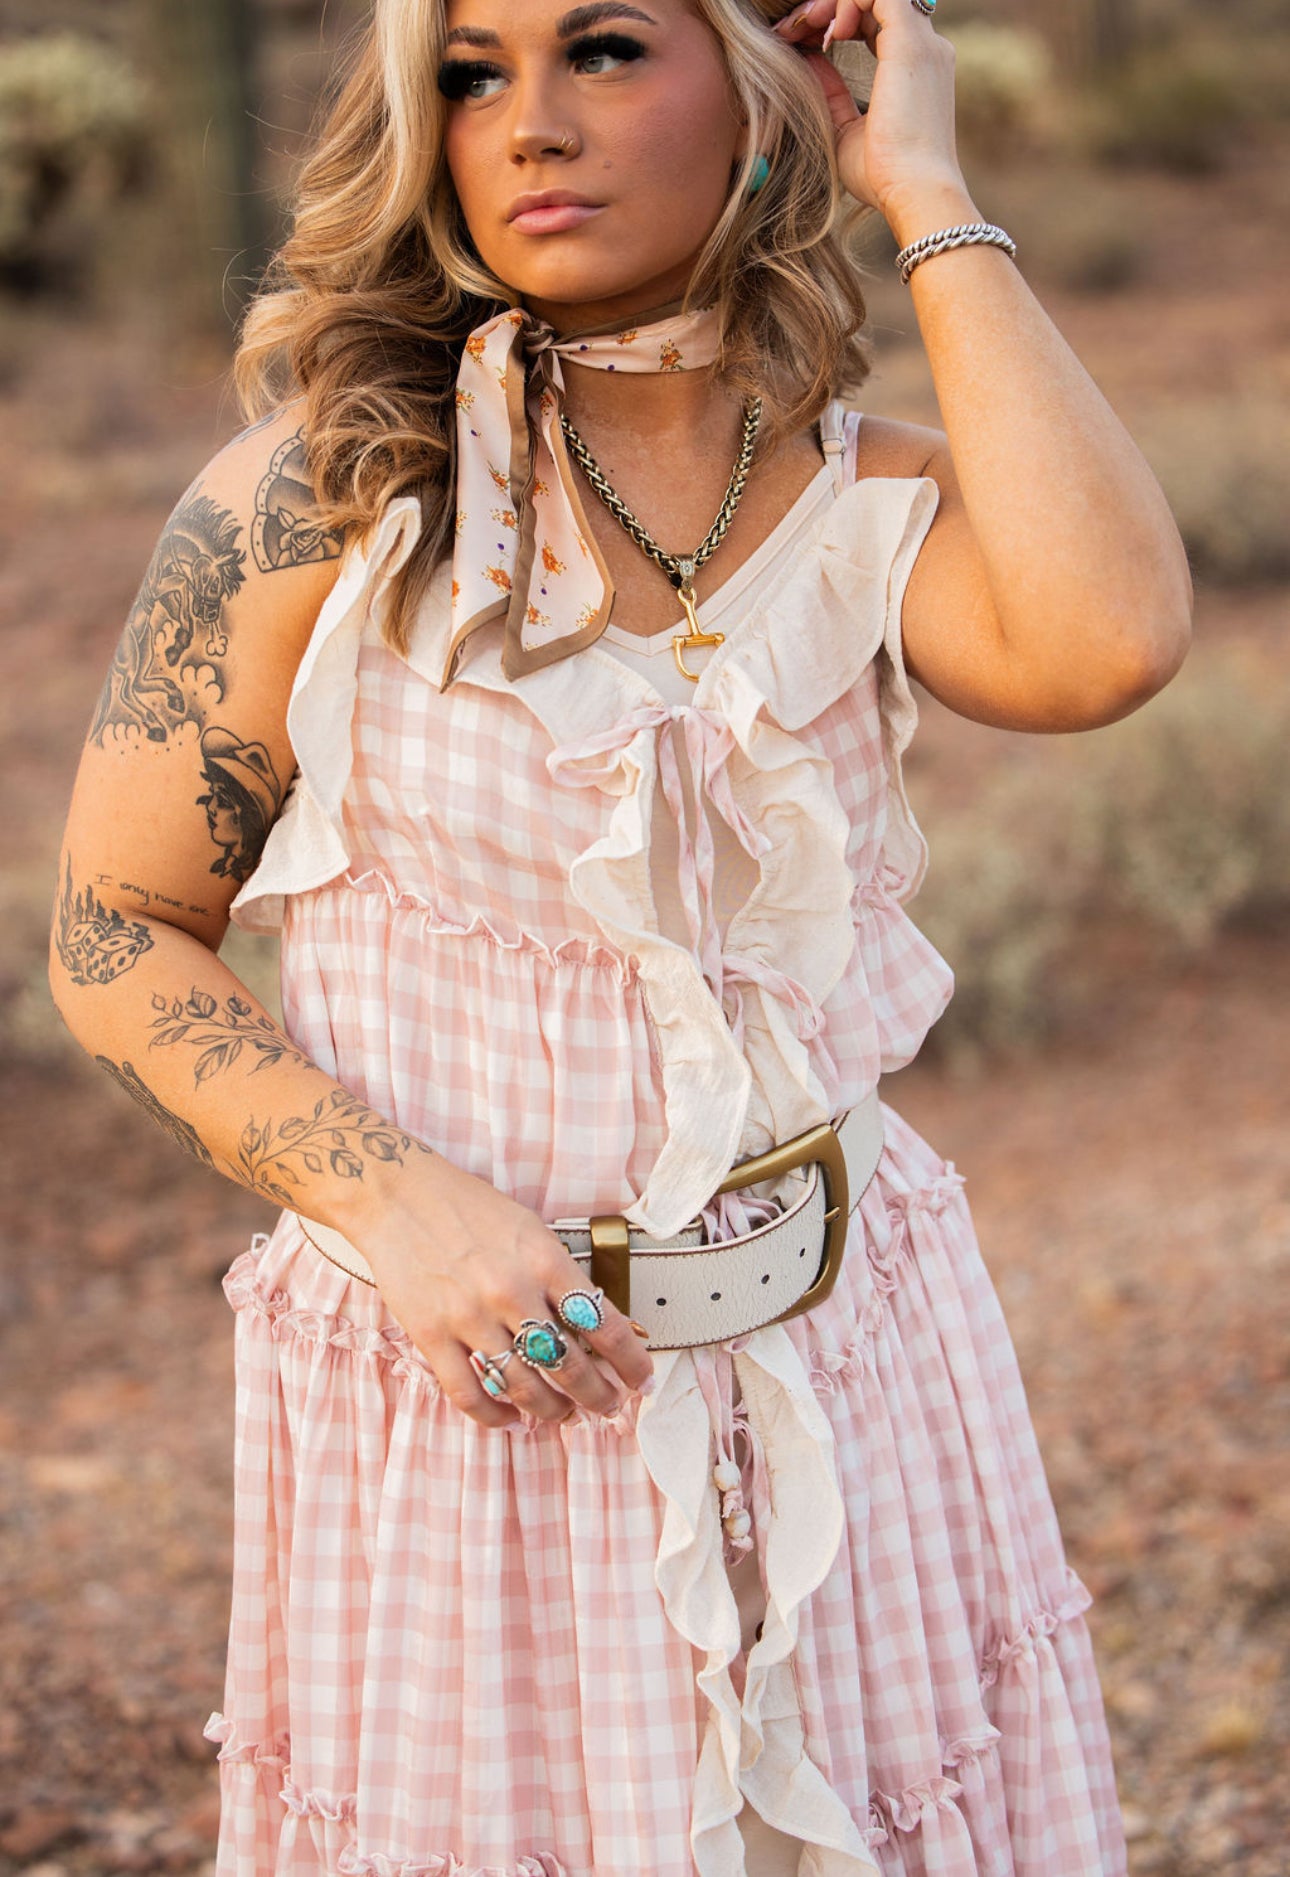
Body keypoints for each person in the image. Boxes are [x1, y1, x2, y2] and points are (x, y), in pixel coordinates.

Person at [50, 0, 1192, 1871]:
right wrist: (401, 1210)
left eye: (600, 50)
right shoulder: (317, 499)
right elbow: (113, 932)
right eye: (473, 73)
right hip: (477, 1387)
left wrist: (921, 184)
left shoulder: (870, 494)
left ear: (760, 98)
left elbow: (1107, 640)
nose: (526, 126)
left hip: (850, 1352)